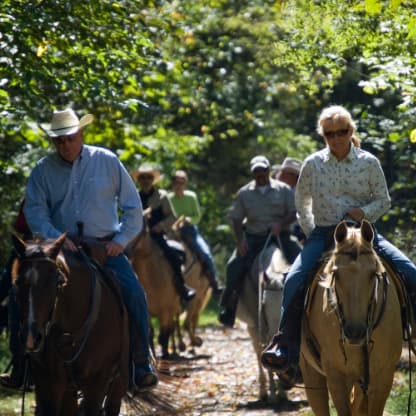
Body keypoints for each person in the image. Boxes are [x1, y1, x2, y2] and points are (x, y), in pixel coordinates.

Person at [261, 105, 416, 385]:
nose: (336, 138)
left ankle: (410, 337)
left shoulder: (368, 162)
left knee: (410, 272)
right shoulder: (312, 164)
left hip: (365, 234)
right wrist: (312, 231)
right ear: (324, 135)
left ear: (351, 131)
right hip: (323, 234)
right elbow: (301, 203)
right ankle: (286, 346)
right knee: (294, 279)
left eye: (341, 132)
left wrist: (364, 214)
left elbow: (384, 200)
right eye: (329, 134)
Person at [21, 108, 157, 390]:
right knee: (19, 290)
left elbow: (133, 207)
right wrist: (56, 237)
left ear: (81, 134)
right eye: (59, 141)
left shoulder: (106, 161)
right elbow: (35, 212)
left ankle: (140, 362)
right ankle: (22, 363)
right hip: (59, 249)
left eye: (70, 138)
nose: (65, 145)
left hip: (105, 248)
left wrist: (120, 241)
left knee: (134, 294)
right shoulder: (42, 171)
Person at [218, 155, 302, 327]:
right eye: (256, 171)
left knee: (302, 260)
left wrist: (281, 224)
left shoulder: (283, 189)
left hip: (281, 236)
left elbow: (294, 213)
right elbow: (236, 218)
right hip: (254, 237)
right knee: (233, 266)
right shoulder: (244, 193)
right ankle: (228, 307)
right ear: (252, 173)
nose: (260, 174)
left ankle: (308, 300)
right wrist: (240, 241)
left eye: (263, 170)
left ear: (268, 170)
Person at [133, 164, 196, 303]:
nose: (145, 180)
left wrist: (160, 226)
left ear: (153, 180)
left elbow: (172, 217)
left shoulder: (161, 197)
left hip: (157, 235)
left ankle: (182, 287)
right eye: (142, 177)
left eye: (149, 177)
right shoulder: (134, 197)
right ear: (139, 179)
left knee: (173, 256)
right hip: (136, 236)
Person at [168, 169, 222, 296]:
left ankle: (214, 282)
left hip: (189, 231)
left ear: (185, 184)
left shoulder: (191, 197)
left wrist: (188, 220)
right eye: (177, 182)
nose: (179, 185)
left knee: (205, 253)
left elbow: (197, 216)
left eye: (182, 182)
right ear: (173, 183)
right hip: (172, 232)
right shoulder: (168, 198)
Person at [0, 199, 32, 388]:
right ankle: (20, 367)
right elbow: (20, 225)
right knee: (10, 288)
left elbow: (20, 225)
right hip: (29, 246)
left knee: (14, 297)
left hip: (44, 246)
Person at [273, 157, 306, 244]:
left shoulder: (302, 193)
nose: (282, 175)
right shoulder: (272, 189)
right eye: (282, 173)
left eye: (296, 175)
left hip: (295, 231)